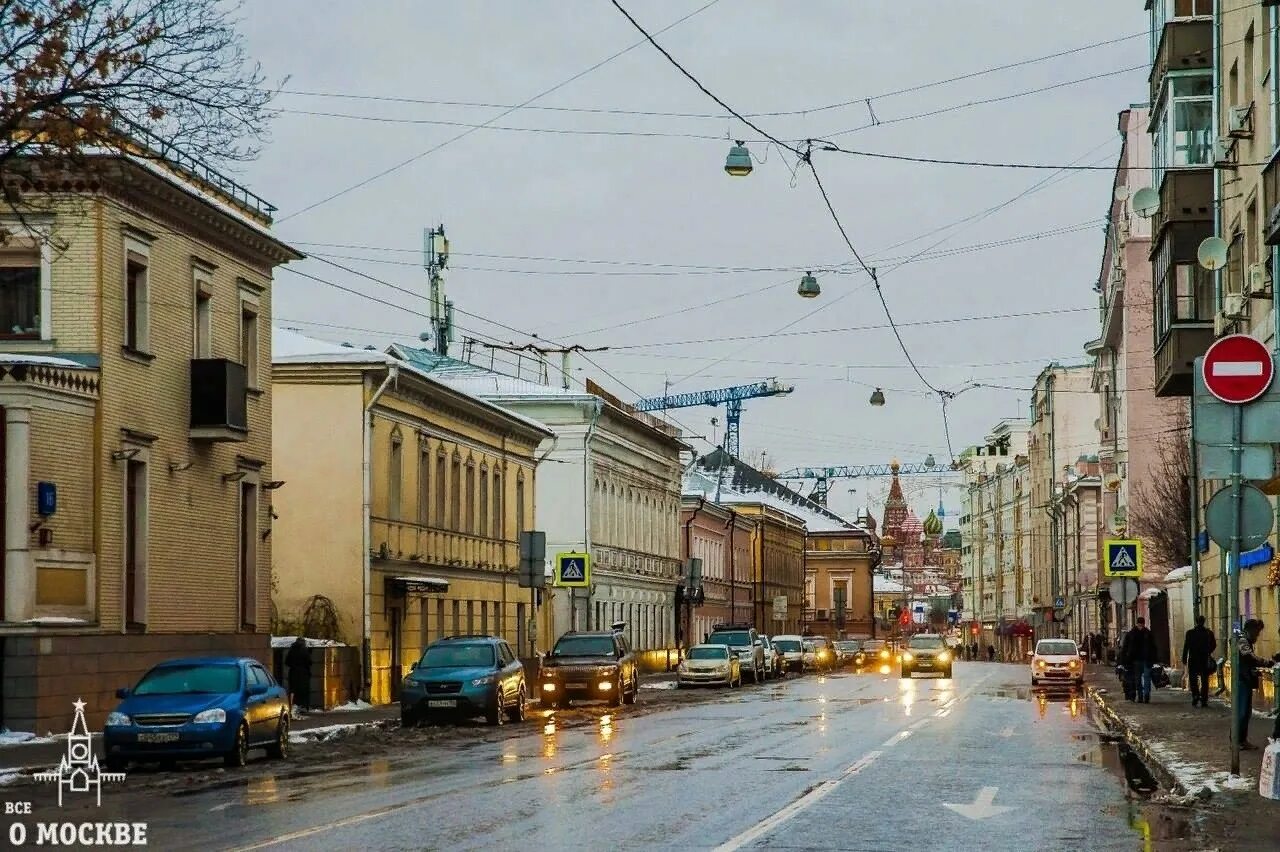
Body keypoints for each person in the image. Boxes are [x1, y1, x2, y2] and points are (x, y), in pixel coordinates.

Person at [1234, 619, 1266, 750]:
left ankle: (1242, 739)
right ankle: (1237, 740)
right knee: (1241, 712)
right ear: (1251, 630)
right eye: (1257, 633)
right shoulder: (1242, 641)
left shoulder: (1244, 640)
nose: (1257, 636)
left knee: (1246, 712)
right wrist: (1265, 662)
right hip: (1241, 680)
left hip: (1245, 679)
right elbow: (1249, 657)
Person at [1181, 615, 1216, 708]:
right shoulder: (1208, 633)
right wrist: (1208, 651)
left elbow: (1186, 647)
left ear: (1196, 622)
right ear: (1204, 622)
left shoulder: (1190, 633)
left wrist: (1184, 658)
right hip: (1204, 658)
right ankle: (1204, 699)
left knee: (1193, 679)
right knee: (1205, 680)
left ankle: (1195, 695)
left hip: (1193, 659)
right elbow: (1214, 645)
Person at [1121, 618, 1157, 703]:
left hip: (1146, 659)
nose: (1140, 626)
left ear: (1143, 624)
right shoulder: (1132, 634)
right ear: (1137, 624)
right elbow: (1125, 647)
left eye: (1142, 625)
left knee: (1146, 677)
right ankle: (1141, 696)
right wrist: (1125, 659)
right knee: (1138, 679)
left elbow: (1153, 647)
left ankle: (1146, 695)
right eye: (1139, 624)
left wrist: (1154, 659)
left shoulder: (1147, 634)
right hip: (1136, 660)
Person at [286, 636, 312, 714]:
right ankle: (303, 706)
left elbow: (286, 662)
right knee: (304, 691)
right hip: (303, 674)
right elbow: (309, 662)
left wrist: (293, 666)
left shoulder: (291, 650)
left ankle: (292, 705)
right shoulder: (304, 650)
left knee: (292, 690)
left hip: (293, 673)